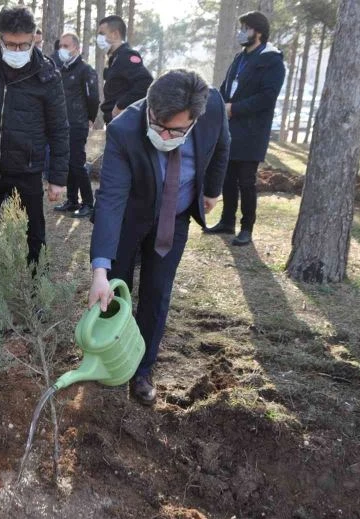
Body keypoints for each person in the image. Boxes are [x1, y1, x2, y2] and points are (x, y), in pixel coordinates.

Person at [89, 70, 229, 405]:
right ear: (150, 106)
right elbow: (110, 199)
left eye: (174, 130)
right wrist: (99, 271)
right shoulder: (125, 129)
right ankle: (112, 360)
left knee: (157, 291)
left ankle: (142, 370)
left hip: (175, 217)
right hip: (129, 216)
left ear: (194, 119)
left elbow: (222, 145)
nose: (162, 134)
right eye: (156, 123)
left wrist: (211, 190)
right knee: (115, 289)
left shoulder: (213, 109)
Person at [0, 6, 69, 303]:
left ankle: (38, 291)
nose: (16, 50)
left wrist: (58, 178)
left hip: (27, 168)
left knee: (34, 235)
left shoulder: (47, 73)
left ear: (34, 38)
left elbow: (59, 128)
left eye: (23, 44)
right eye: (10, 44)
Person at [204, 10, 284, 246]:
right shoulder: (240, 58)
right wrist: (218, 104)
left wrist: (234, 109)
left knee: (246, 181)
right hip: (230, 128)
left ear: (258, 32)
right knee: (227, 177)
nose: (241, 33)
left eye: (245, 28)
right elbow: (226, 86)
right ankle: (227, 221)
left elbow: (267, 97)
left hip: (252, 131)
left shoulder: (272, 61)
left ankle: (247, 227)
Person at [52, 32, 100, 218]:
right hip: (62, 123)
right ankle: (72, 200)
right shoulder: (61, 69)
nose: (62, 49)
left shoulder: (85, 70)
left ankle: (88, 203)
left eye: (66, 46)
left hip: (78, 123)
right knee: (69, 163)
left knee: (77, 164)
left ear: (76, 49)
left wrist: (90, 118)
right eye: (60, 46)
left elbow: (93, 97)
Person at [96, 15, 153, 125]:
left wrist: (121, 105)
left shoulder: (126, 56)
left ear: (115, 34)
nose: (99, 38)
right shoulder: (115, 58)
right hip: (114, 122)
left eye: (102, 33)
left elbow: (146, 82)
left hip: (124, 122)